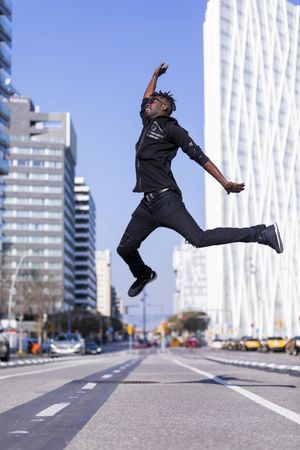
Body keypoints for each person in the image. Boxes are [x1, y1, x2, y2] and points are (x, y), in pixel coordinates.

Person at [117, 63, 283, 298]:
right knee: (124, 248)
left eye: (153, 101)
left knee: (199, 238)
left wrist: (224, 182)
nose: (147, 103)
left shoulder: (172, 129)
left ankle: (261, 233)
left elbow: (199, 156)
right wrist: (154, 76)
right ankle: (144, 274)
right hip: (147, 205)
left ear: (164, 108)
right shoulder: (148, 123)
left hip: (166, 201)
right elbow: (145, 98)